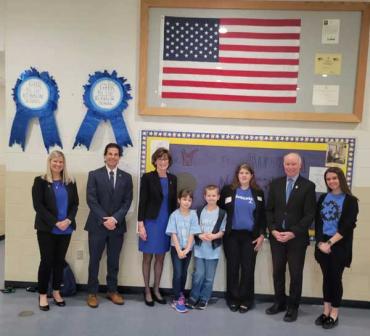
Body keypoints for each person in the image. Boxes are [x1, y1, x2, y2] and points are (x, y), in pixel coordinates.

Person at [265, 152, 316, 322]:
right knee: (278, 272)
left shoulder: (308, 186)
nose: (290, 167)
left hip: (296, 239)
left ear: (300, 165)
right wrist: (272, 230)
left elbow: (309, 215)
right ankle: (279, 302)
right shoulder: (275, 184)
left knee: (295, 274)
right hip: (277, 237)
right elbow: (269, 210)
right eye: (287, 164)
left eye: (294, 164)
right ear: (283, 165)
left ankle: (293, 307)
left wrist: (293, 232)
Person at [85, 143, 133, 308]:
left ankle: (112, 291)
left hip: (117, 227)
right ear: (105, 156)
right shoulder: (94, 175)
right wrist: (106, 219)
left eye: (116, 154)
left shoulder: (126, 177)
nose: (113, 156)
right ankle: (92, 292)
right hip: (97, 225)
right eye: (110, 154)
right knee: (94, 260)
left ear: (119, 157)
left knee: (113, 261)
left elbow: (127, 202)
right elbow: (91, 200)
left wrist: (115, 219)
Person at [32, 150, 79, 311]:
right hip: (47, 229)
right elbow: (38, 206)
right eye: (55, 161)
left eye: (61, 162)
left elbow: (75, 204)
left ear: (64, 164)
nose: (58, 164)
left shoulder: (70, 181)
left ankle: (57, 291)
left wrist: (68, 220)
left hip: (66, 229)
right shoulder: (40, 181)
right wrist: (55, 222)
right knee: (46, 262)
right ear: (49, 162)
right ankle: (43, 294)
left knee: (59, 262)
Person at [314, 167, 358, 329]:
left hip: (339, 245)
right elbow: (318, 223)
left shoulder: (351, 201)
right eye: (328, 179)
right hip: (322, 244)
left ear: (341, 179)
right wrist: (320, 243)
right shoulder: (323, 198)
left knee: (335, 279)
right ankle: (325, 311)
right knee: (326, 278)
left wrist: (329, 243)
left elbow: (347, 227)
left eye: (334, 178)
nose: (331, 181)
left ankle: (334, 313)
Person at [219, 163, 266, 313]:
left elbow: (262, 216)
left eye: (247, 173)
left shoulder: (258, 193)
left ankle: (246, 300)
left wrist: (261, 235)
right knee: (232, 267)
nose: (244, 175)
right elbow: (219, 210)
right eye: (241, 173)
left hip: (250, 237)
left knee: (248, 269)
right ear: (237, 175)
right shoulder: (228, 190)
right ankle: (232, 299)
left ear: (251, 175)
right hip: (231, 235)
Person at [137, 147, 177, 306]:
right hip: (150, 222)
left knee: (160, 257)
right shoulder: (147, 177)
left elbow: (174, 204)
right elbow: (142, 202)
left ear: (169, 162)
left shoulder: (173, 178)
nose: (163, 162)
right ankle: (146, 290)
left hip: (166, 223)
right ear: (155, 161)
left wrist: (175, 225)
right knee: (147, 257)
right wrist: (141, 225)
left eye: (165, 159)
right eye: (160, 159)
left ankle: (156, 289)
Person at [186, 185, 227, 310]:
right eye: (208, 195)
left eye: (214, 195)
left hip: (213, 251)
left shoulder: (222, 213)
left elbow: (222, 231)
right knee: (198, 275)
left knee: (209, 277)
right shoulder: (198, 211)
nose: (211, 198)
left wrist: (215, 236)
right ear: (204, 196)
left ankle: (204, 299)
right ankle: (193, 297)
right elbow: (194, 228)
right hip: (199, 249)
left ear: (218, 197)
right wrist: (200, 235)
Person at [166, 189, 201, 313]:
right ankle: (176, 299)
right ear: (179, 200)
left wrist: (186, 249)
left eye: (189, 200)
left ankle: (181, 294)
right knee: (178, 272)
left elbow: (192, 232)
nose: (187, 202)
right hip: (176, 249)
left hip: (188, 249)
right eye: (184, 199)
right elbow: (173, 233)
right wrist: (179, 250)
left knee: (184, 272)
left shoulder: (193, 215)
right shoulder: (174, 215)